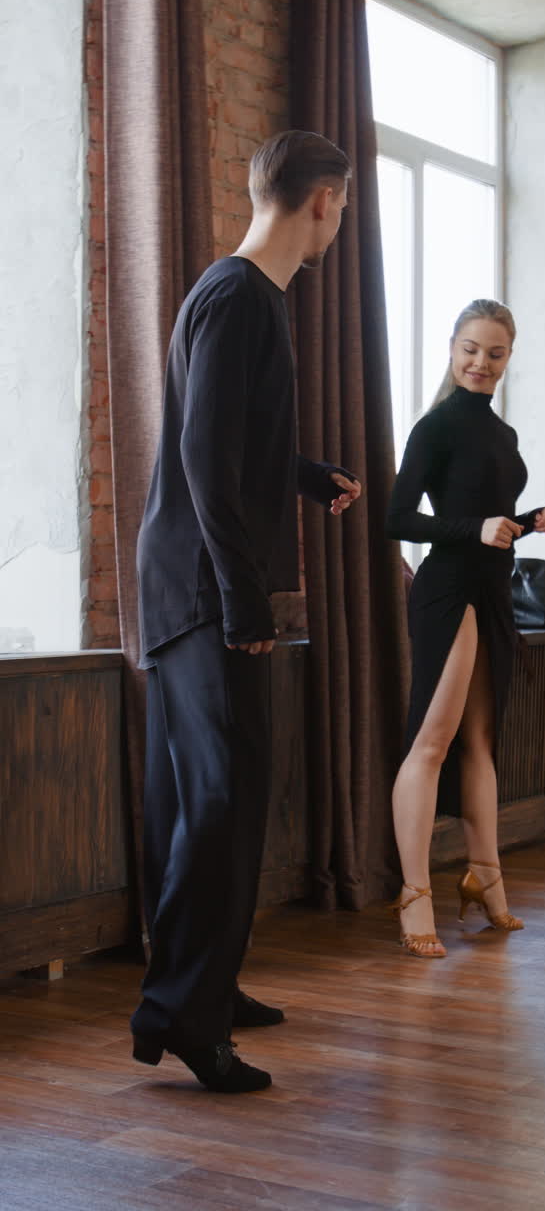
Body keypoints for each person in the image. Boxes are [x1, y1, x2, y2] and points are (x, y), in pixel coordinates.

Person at [131, 130, 362, 1090]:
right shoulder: (237, 297)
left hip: (193, 581)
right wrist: (242, 600)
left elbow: (226, 441)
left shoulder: (245, 298)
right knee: (220, 801)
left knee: (212, 799)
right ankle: (185, 1015)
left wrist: (306, 476)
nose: (339, 225)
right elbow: (199, 459)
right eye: (342, 208)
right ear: (320, 201)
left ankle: (207, 987)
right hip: (202, 590)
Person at [386, 299, 545, 958]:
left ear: (508, 359)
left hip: (492, 590)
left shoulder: (503, 436)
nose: (481, 362)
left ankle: (485, 878)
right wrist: (475, 530)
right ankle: (413, 893)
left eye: (495, 353)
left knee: (483, 743)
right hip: (448, 591)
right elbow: (399, 519)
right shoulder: (435, 428)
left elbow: (491, 517)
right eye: (471, 349)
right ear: (452, 349)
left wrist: (526, 517)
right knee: (432, 744)